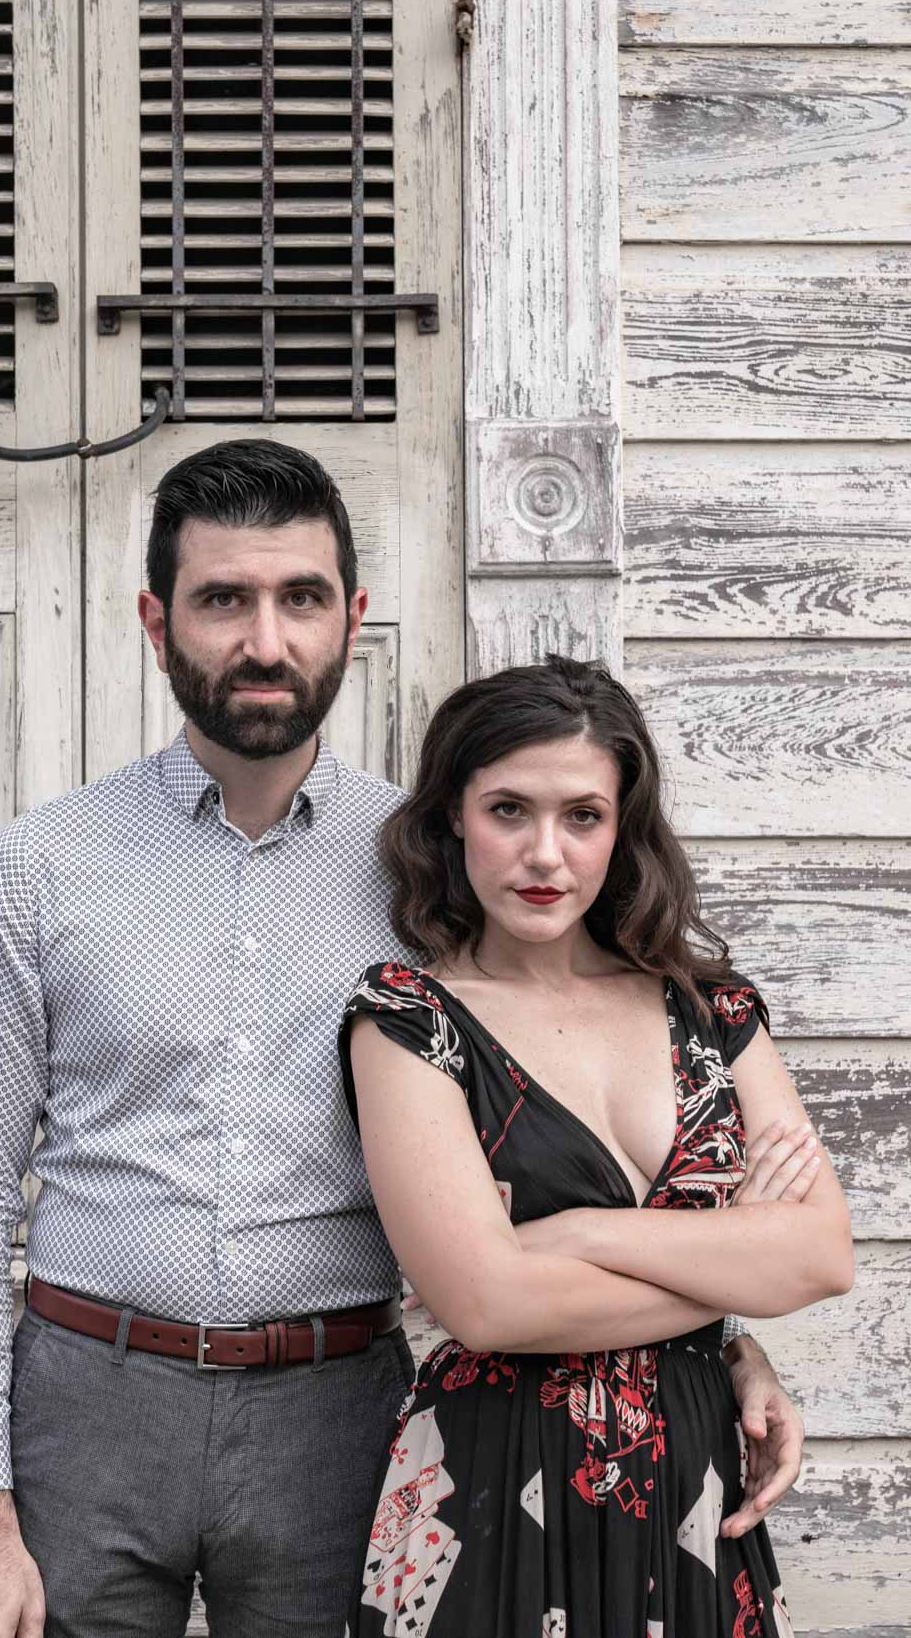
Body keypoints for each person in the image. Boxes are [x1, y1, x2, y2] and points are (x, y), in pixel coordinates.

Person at [0, 441, 804, 1638]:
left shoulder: (435, 869)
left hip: (337, 1415)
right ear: (155, 617)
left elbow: (547, 1124)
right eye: (223, 598)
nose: (264, 640)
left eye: (301, 598)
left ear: (353, 617)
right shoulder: (42, 865)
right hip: (87, 1404)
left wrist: (722, 1341)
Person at [338, 658, 855, 1638]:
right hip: (491, 1485)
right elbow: (486, 1304)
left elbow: (820, 1255)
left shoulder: (713, 1010)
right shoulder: (409, 1020)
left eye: (581, 815)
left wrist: (571, 1231)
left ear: (621, 826)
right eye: (507, 810)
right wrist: (737, 1264)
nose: (545, 853)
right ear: (452, 813)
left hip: (696, 1485)